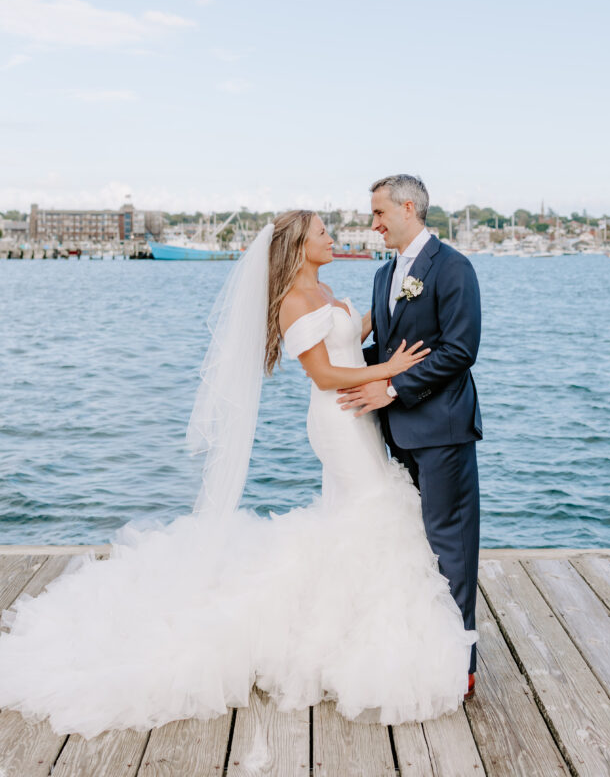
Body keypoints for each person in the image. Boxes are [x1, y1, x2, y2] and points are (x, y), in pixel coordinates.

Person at [0, 209, 477, 740]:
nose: (332, 237)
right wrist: (389, 371)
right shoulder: (292, 301)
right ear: (299, 245)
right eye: (322, 232)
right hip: (338, 419)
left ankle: (347, 619)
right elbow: (323, 374)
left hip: (360, 417)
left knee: (356, 516)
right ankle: (343, 628)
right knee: (374, 508)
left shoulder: (322, 290)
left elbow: (352, 333)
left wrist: (399, 313)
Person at [337, 175, 482, 700]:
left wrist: (393, 389)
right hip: (394, 431)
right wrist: (333, 371)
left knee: (450, 545)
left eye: (379, 213)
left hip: (442, 430)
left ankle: (460, 666)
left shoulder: (453, 268)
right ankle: (421, 652)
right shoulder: (384, 274)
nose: (373, 224)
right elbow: (386, 349)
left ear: (407, 208)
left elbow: (460, 350)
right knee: (411, 544)